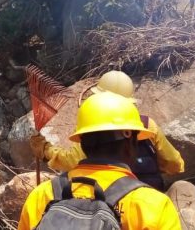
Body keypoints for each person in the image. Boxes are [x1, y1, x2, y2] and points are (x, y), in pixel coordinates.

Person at [18, 91, 182, 229]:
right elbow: (176, 164)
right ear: (130, 143)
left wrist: (45, 151)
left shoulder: (42, 195)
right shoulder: (152, 206)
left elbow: (67, 160)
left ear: (81, 142)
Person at [29, 70, 184, 190]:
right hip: (150, 196)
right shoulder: (147, 125)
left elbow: (72, 160)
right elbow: (174, 163)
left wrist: (46, 150)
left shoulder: (94, 127)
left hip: (108, 200)